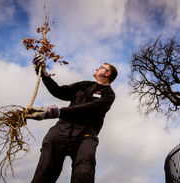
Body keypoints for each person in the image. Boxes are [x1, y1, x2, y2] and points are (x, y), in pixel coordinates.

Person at [26, 54, 118, 183]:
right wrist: (43, 74)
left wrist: (58, 112)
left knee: (84, 170)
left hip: (85, 134)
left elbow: (90, 109)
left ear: (107, 73)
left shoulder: (108, 94)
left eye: (101, 67)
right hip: (61, 129)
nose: (97, 69)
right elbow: (59, 91)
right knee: (45, 171)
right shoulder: (84, 85)